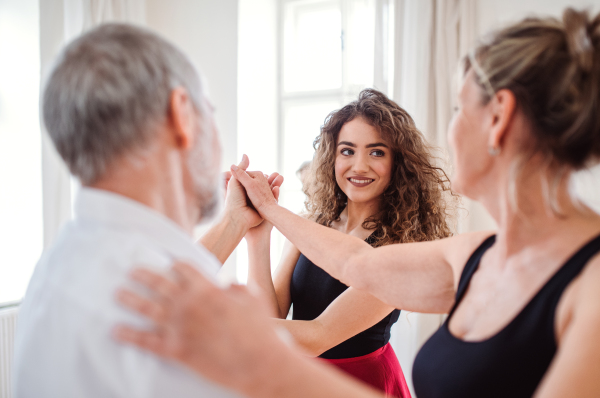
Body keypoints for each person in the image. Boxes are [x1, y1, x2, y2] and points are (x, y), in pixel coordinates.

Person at [115, 8, 600, 398]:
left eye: (457, 108)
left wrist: (235, 337)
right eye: (347, 150)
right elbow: (354, 262)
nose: (449, 128)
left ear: (499, 118)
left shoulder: (591, 285)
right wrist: (260, 219)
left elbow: (322, 329)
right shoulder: (474, 255)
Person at [13, 23, 282, 398]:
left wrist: (235, 223)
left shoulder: (61, 264)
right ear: (182, 114)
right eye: (211, 111)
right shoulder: (172, 321)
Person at [244, 89, 452, 397]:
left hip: (362, 384)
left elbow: (318, 337)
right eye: (347, 151)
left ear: (398, 163)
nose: (359, 166)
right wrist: (258, 237)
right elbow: (270, 315)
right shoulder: (313, 223)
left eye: (377, 152)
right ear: (332, 156)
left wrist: (225, 323)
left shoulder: (402, 247)